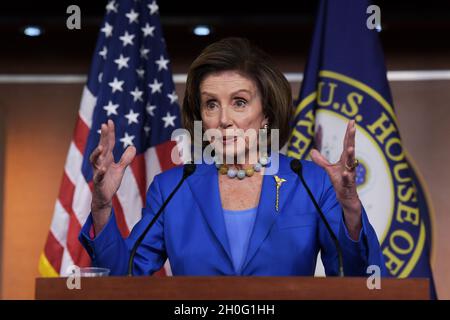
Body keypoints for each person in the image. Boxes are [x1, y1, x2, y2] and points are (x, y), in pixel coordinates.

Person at [79, 37, 385, 276]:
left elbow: (353, 276)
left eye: (239, 102)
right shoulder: (172, 188)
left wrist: (351, 211)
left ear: (266, 112)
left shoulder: (310, 182)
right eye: (211, 104)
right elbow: (123, 278)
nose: (223, 119)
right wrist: (102, 207)